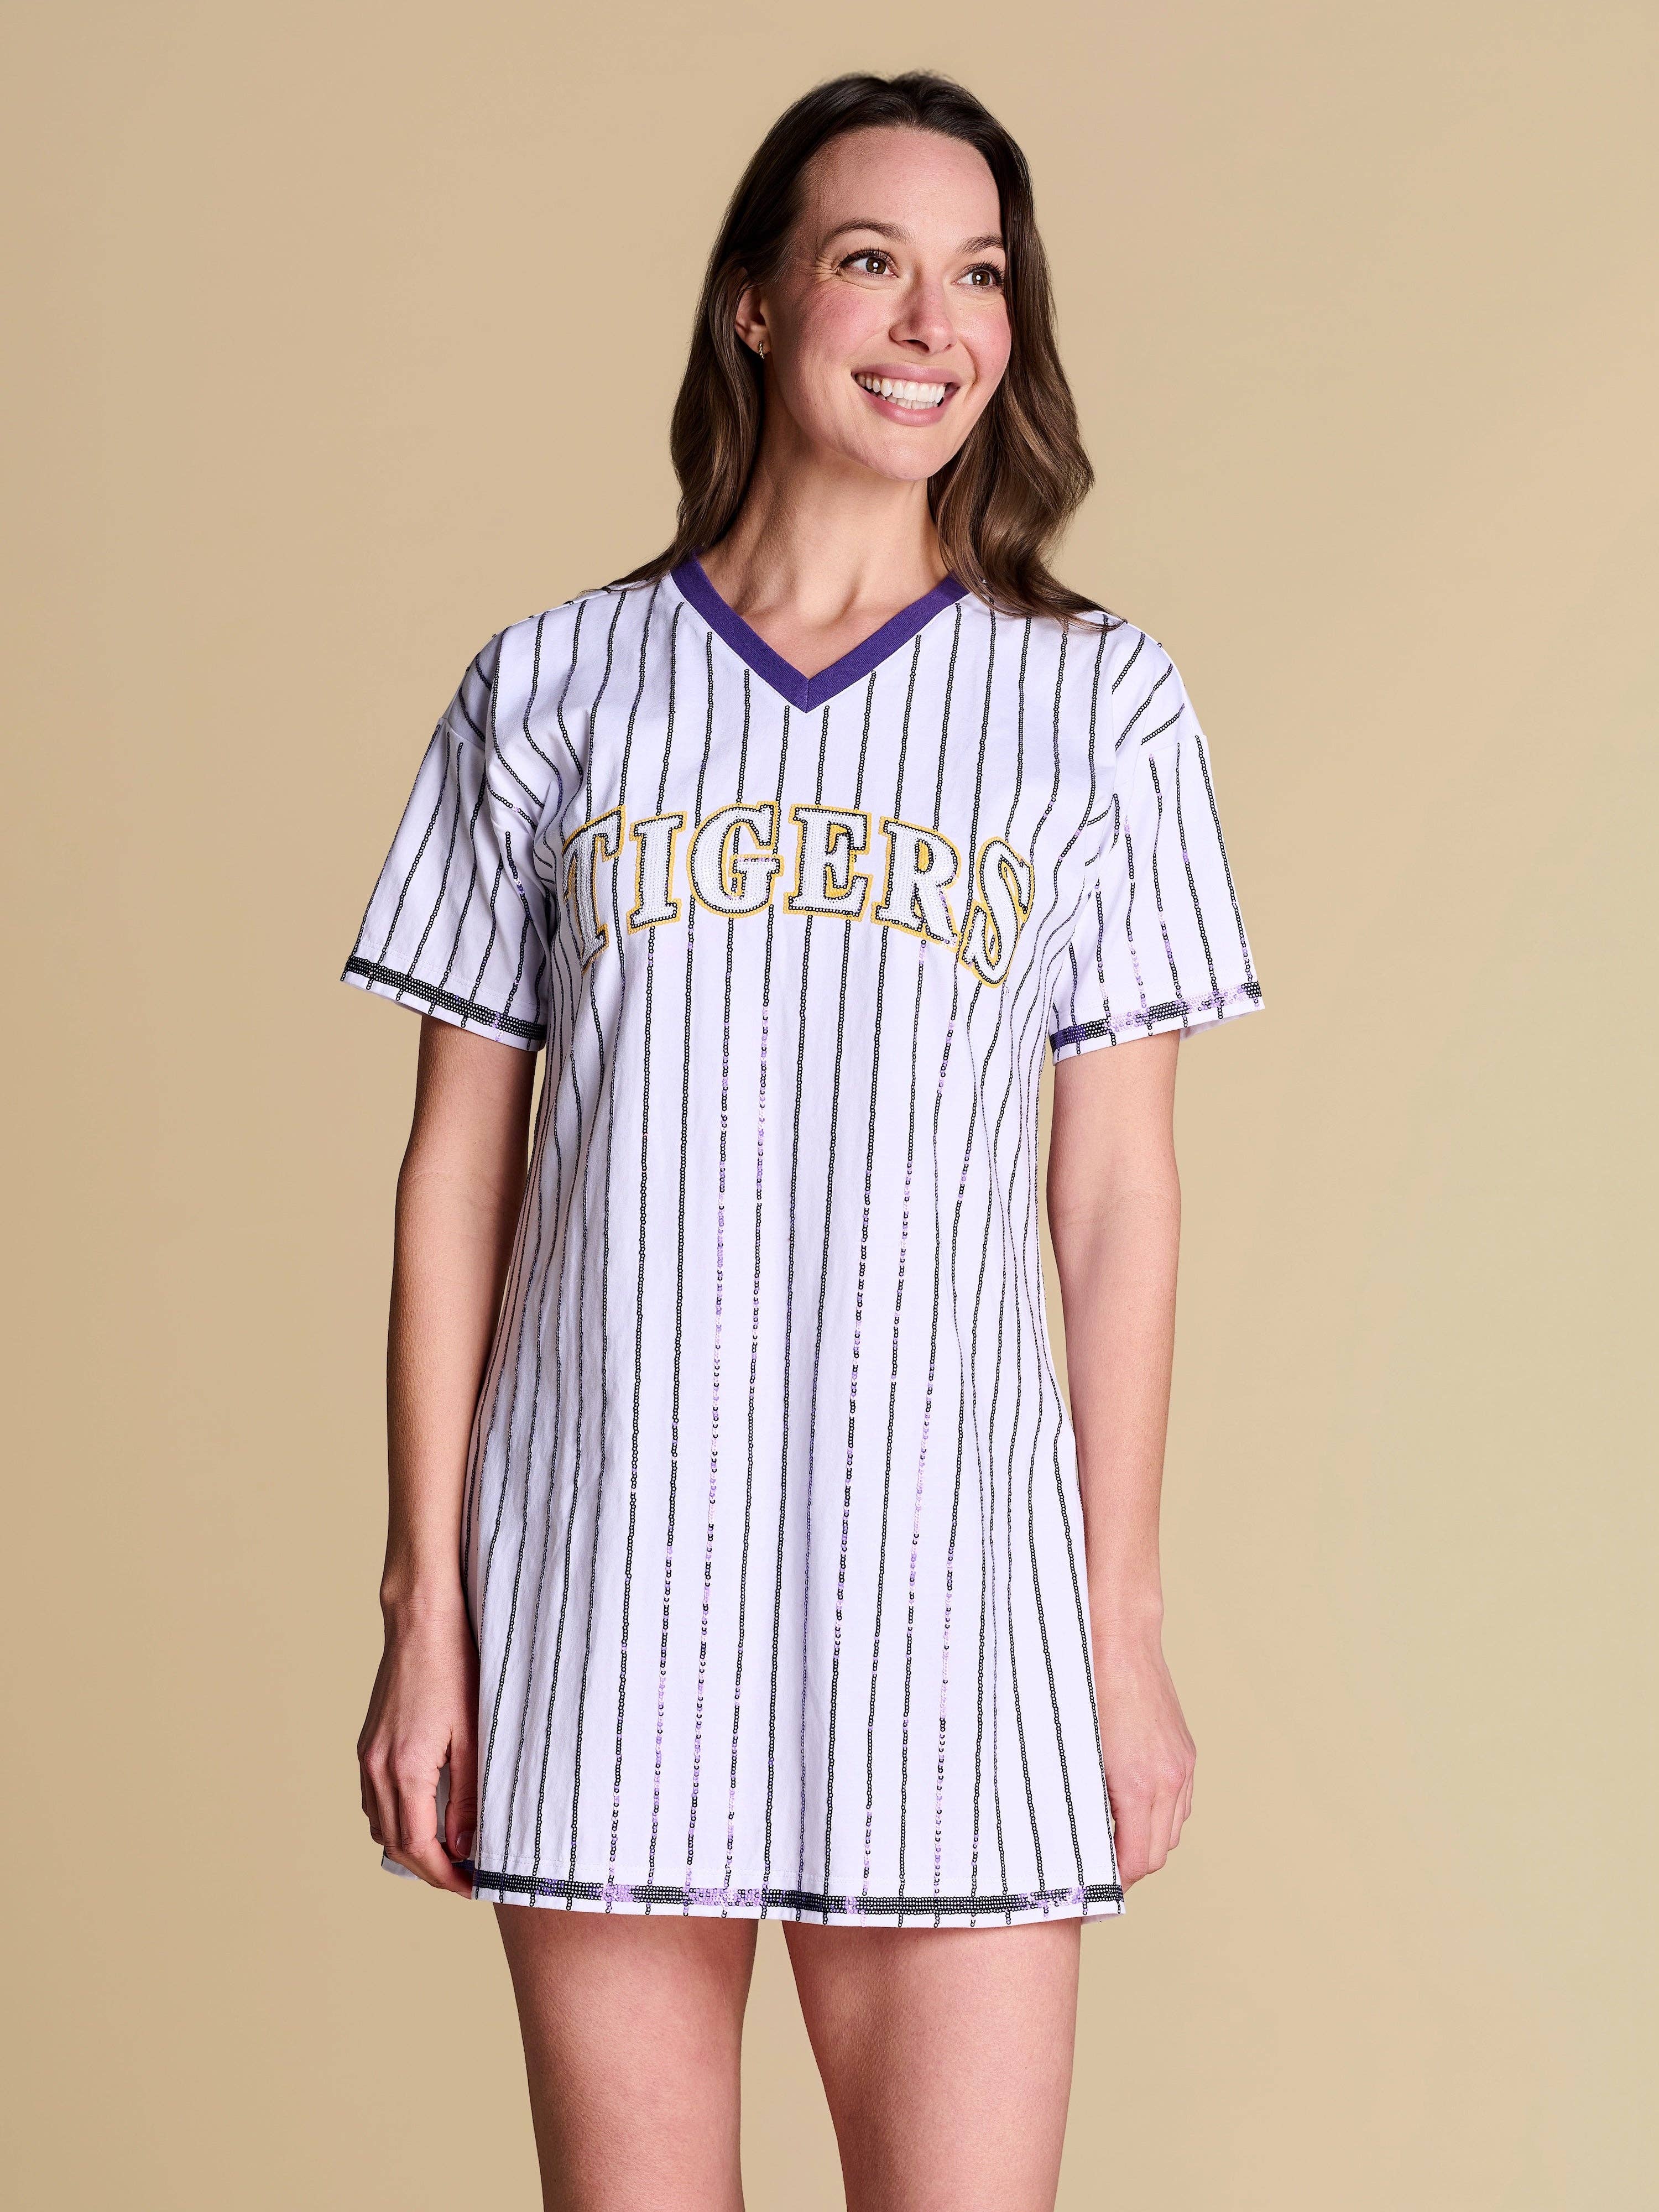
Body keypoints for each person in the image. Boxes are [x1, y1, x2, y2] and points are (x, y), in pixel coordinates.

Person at [342, 67, 1265, 2212]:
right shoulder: (552, 692)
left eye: (981, 277)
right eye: (873, 261)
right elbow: (457, 1179)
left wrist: (1120, 1632)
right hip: (601, 1586)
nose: (935, 323)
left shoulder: (1100, 710)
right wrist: (427, 1608)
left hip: (956, 1600)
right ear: (756, 303)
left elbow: (1116, 1196)